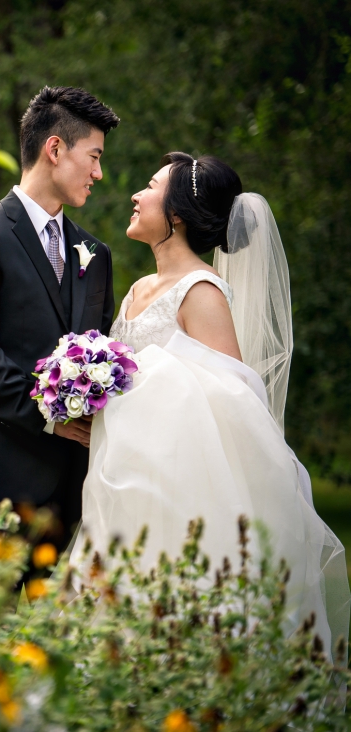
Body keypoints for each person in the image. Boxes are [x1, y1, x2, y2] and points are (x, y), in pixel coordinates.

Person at [74, 152, 350, 653]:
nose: (135, 194)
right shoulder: (138, 289)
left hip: (182, 489)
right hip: (123, 476)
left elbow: (234, 403)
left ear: (176, 213)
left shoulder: (200, 291)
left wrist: (146, 385)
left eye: (150, 186)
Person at [0, 86, 119, 542]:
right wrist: (51, 413)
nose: (98, 172)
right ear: (55, 148)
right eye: (93, 156)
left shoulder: (95, 254)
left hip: (69, 490)